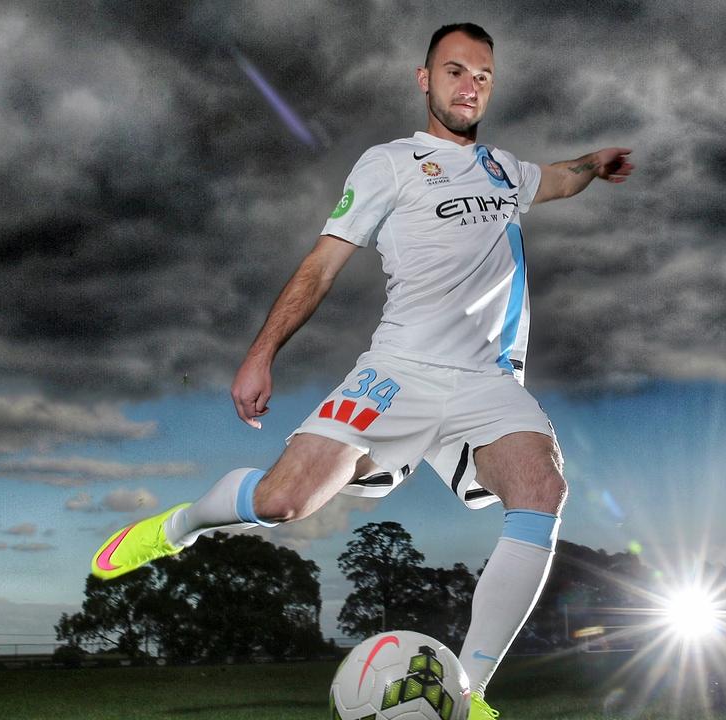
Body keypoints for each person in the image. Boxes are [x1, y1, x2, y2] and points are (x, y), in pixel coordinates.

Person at [91, 22, 632, 718]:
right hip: (399, 370)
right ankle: (179, 526)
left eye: (483, 76)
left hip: (490, 385)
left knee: (542, 490)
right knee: (286, 502)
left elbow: (559, 179)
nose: (469, 86)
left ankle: (471, 698)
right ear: (424, 79)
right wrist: (262, 351)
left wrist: (597, 160)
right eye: (455, 70)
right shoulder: (388, 163)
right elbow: (322, 264)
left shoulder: (505, 169)